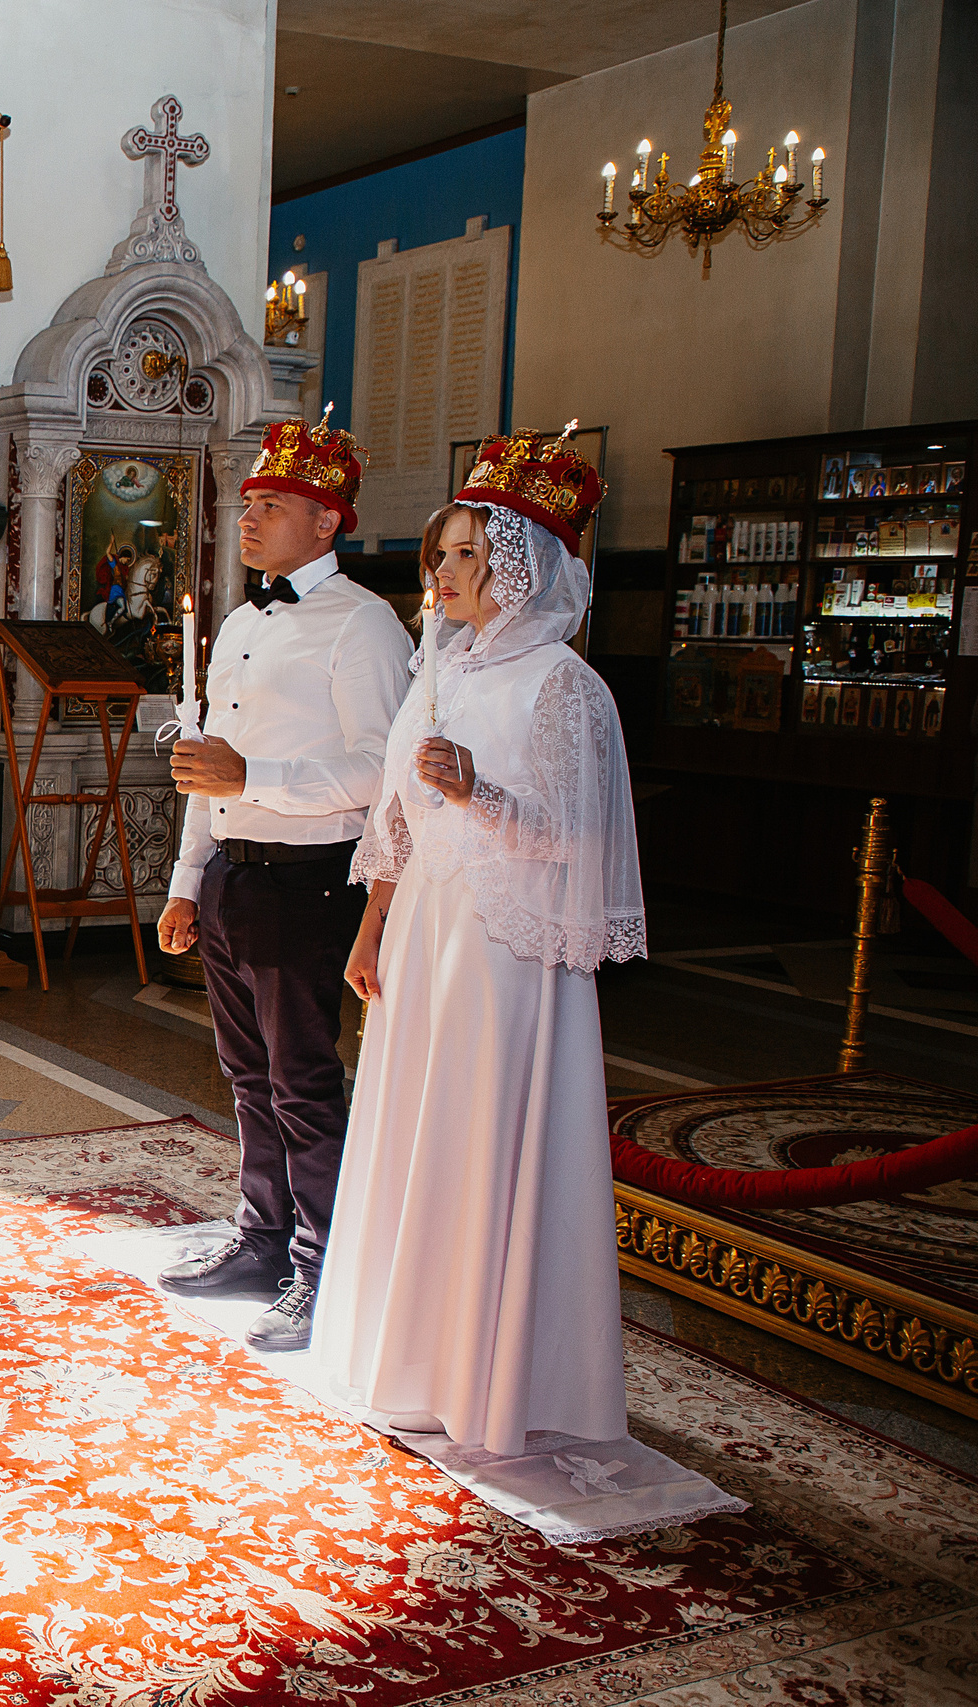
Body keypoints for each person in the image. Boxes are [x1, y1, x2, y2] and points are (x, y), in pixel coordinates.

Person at [316, 432, 642, 1455]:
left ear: (518, 565)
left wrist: (480, 790)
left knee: (479, 1140)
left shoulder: (564, 688)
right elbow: (399, 823)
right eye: (441, 553)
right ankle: (404, 1354)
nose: (442, 572)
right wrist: (372, 925)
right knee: (412, 1131)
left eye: (464, 553)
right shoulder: (438, 671)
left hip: (508, 953)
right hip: (424, 939)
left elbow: (577, 843)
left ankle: (487, 1376)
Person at [154, 410, 411, 1352]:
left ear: (329, 521)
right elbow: (203, 763)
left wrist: (252, 779)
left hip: (310, 883)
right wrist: (186, 881)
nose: (249, 517)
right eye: (248, 502)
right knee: (245, 1073)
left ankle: (322, 1262)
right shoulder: (239, 622)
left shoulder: (366, 626)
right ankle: (260, 1239)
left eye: (271, 503)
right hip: (233, 875)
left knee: (303, 1080)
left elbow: (379, 772)